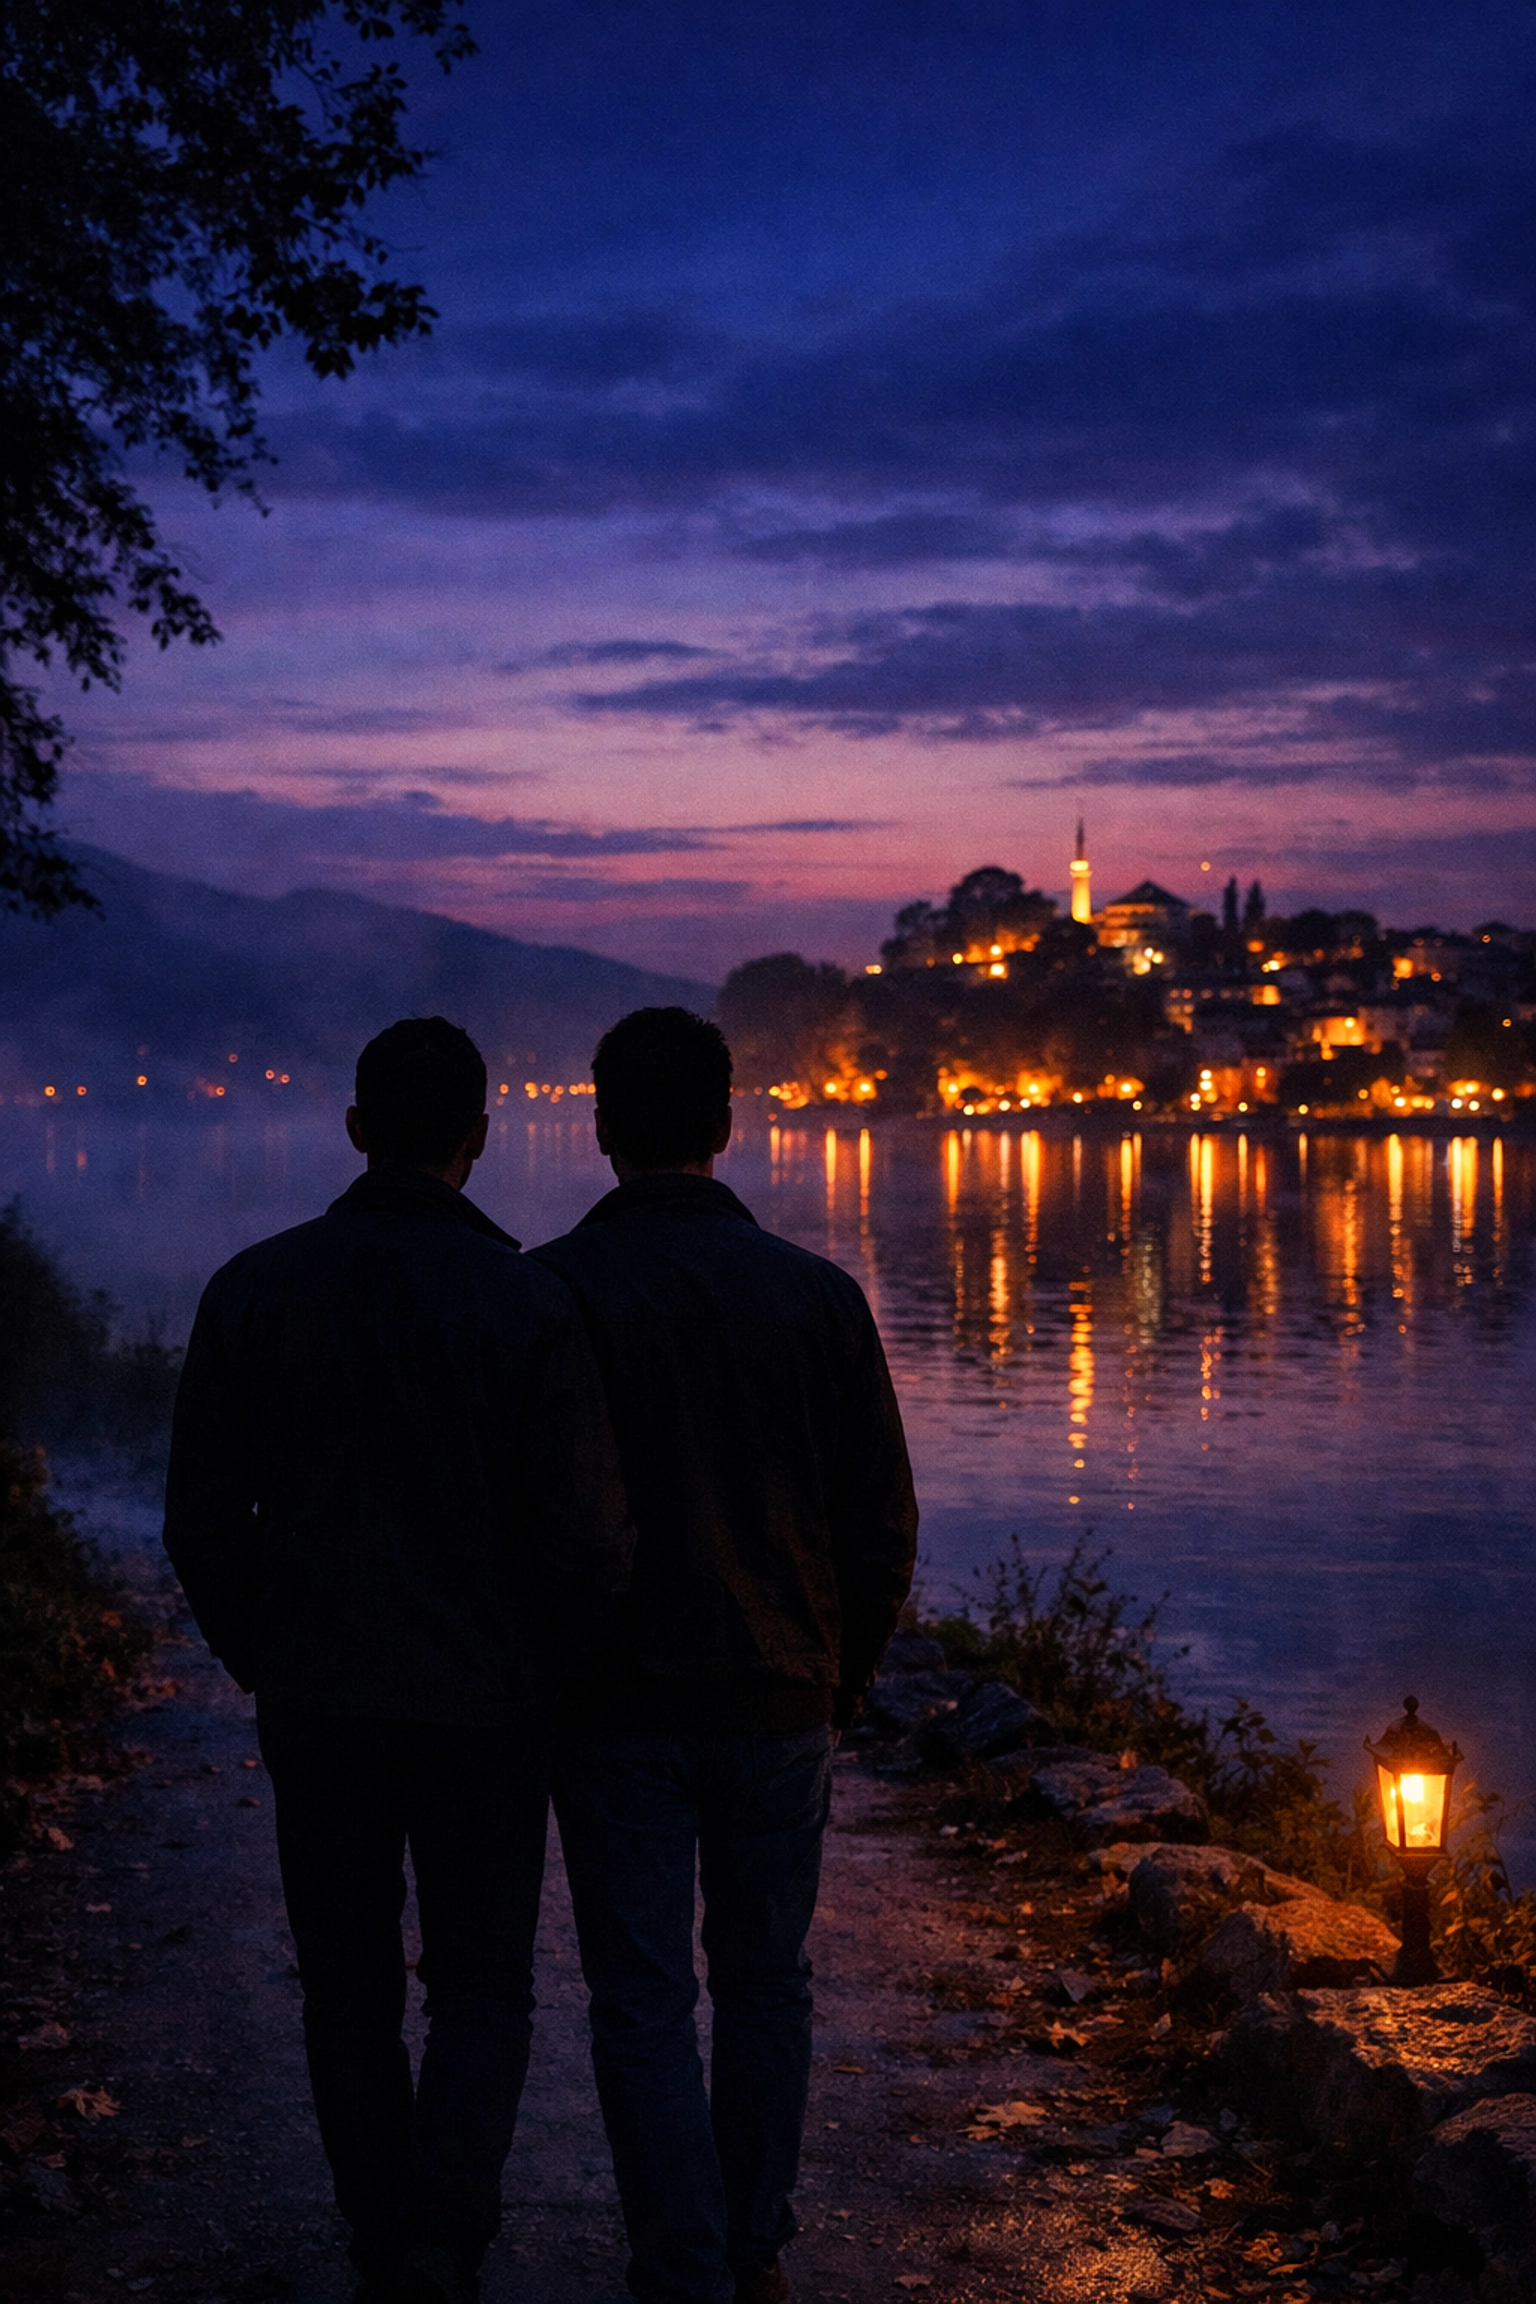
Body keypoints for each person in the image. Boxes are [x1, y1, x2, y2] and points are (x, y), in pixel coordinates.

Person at [163, 1017, 631, 2304]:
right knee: (484, 1981)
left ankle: (382, 2231)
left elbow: (201, 1519)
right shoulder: (532, 1301)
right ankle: (444, 2237)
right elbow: (588, 1539)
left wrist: (265, 1652)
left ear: (357, 1129)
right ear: (477, 1142)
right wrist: (550, 1672)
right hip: (488, 1705)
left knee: (346, 1980)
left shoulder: (255, 1288)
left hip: (320, 1695)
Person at [532, 1006, 918, 2304]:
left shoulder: (554, 1291)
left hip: (615, 1704)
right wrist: (840, 1677)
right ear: (729, 1126)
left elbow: (532, 1515)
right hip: (780, 1694)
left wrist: (557, 1669)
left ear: (601, 1130)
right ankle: (750, 2247)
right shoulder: (820, 1297)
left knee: (641, 2000)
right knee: (766, 1982)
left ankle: (681, 2263)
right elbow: (879, 1521)